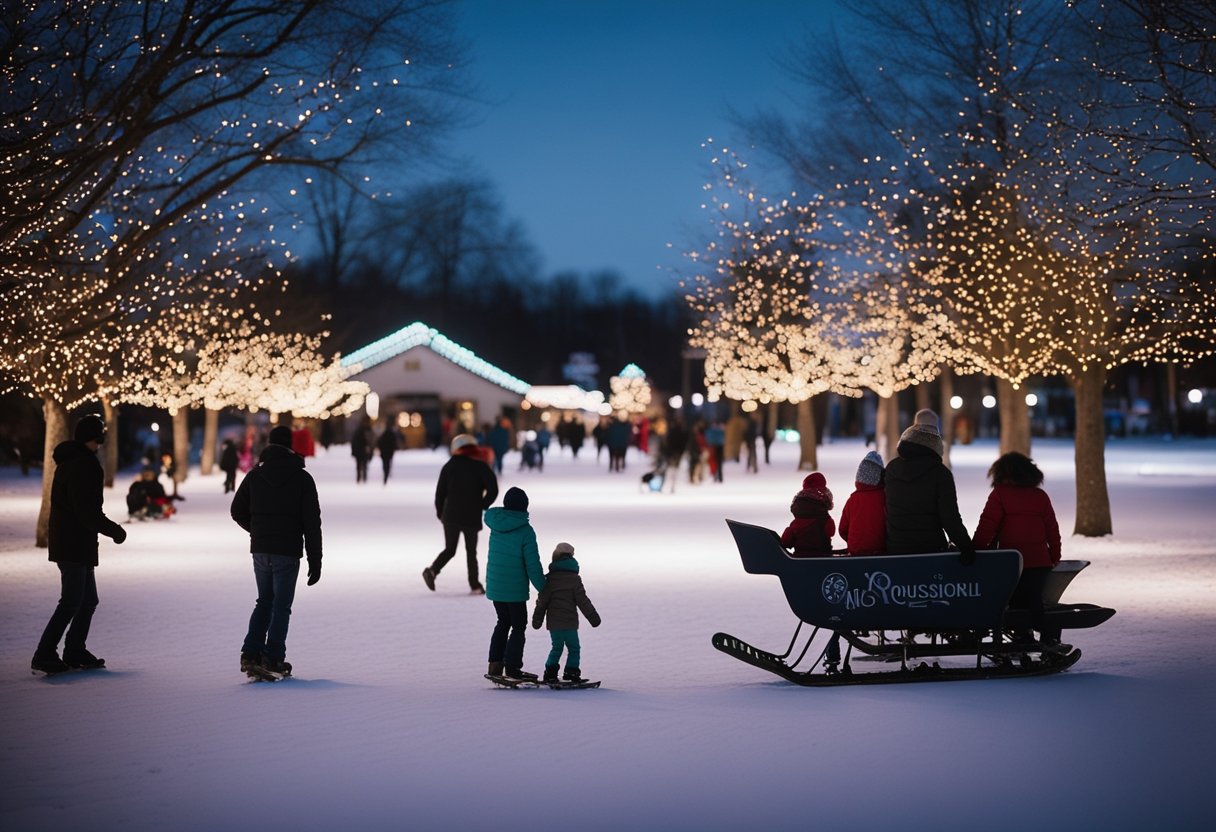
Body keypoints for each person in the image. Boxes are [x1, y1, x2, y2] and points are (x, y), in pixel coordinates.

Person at [32, 414, 127, 674]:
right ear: (93, 438)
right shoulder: (82, 465)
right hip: (73, 542)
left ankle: (74, 649)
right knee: (72, 601)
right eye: (99, 437)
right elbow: (86, 510)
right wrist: (114, 530)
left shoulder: (74, 462)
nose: (101, 442)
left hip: (77, 541)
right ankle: (44, 653)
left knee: (87, 600)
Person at [230, 425, 323, 679]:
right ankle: (272, 656)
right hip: (287, 551)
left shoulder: (254, 476)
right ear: (291, 446)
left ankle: (251, 653)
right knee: (281, 606)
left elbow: (237, 510)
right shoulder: (302, 478)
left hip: (261, 550)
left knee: (264, 601)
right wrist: (316, 559)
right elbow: (312, 522)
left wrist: (257, 531)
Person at [972, 451, 1064, 646]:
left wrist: (975, 550)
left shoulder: (1000, 494)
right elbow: (1052, 529)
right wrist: (1054, 555)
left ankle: (1022, 635)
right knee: (1035, 599)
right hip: (1040, 562)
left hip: (1011, 562)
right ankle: (1047, 636)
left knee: (1014, 601)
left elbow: (987, 525)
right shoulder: (1040, 496)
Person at [884, 409, 975, 562]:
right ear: (936, 443)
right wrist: (966, 547)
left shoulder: (892, 468)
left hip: (896, 548)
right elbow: (950, 518)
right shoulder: (941, 474)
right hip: (931, 550)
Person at [423, 434, 498, 595]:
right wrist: (482, 505)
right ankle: (475, 585)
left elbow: (440, 493)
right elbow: (493, 489)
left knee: (450, 549)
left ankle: (432, 570)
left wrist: (440, 512)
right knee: (471, 551)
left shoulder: (449, 466)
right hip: (471, 514)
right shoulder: (480, 466)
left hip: (450, 514)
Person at [484, 486, 545, 681]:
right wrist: (544, 588)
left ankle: (495, 665)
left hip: (495, 587)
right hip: (515, 590)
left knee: (503, 622)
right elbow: (532, 565)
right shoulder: (525, 531)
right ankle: (512, 667)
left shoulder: (496, 525)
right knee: (518, 625)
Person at [532, 541, 601, 683]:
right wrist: (593, 617)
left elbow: (542, 602)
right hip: (570, 623)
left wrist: (537, 619)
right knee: (574, 648)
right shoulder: (575, 580)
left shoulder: (549, 579)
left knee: (556, 648)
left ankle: (550, 673)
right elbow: (583, 601)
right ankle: (571, 672)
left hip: (554, 624)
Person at [838, 451, 886, 556]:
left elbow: (843, 529)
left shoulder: (852, 500)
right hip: (881, 551)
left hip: (856, 551)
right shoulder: (885, 498)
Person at [781, 472, 836, 557]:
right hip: (824, 560)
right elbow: (831, 530)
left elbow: (786, 541)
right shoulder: (825, 519)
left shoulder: (797, 522)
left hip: (800, 560)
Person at [351, 418, 373, 484]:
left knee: (361, 465)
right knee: (363, 465)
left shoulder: (360, 431)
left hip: (361, 451)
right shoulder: (366, 431)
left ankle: (361, 478)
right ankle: (362, 478)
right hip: (362, 451)